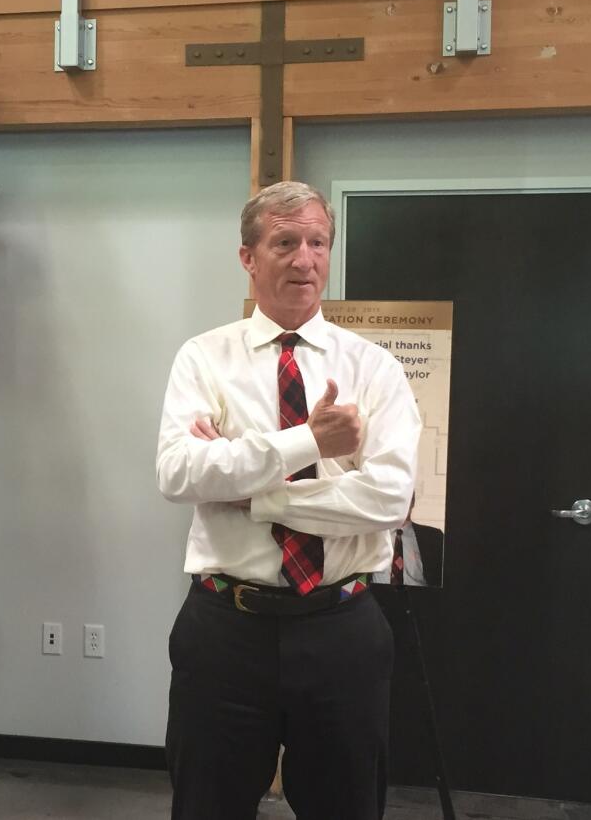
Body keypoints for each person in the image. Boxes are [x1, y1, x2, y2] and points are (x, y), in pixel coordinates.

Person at [156, 181, 421, 820]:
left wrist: (258, 496)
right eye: (285, 242)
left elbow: (388, 497)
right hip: (226, 630)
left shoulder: (374, 368)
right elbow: (179, 472)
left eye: (317, 242)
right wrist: (314, 441)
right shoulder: (204, 359)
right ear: (248, 257)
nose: (305, 259)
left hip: (342, 630)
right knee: (207, 807)